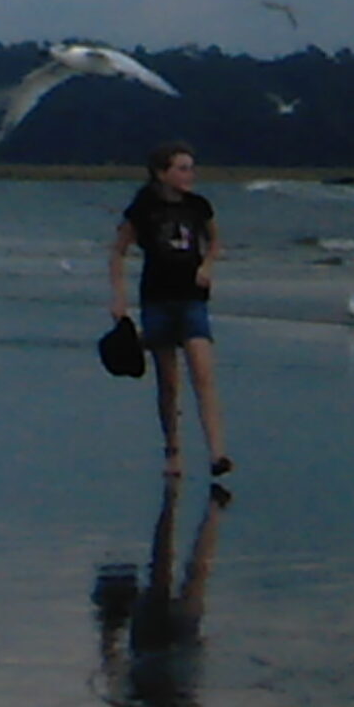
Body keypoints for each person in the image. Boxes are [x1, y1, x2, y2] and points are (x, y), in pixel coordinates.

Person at [108, 141, 231, 477]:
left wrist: (207, 265)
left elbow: (216, 240)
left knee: (203, 375)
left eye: (191, 168)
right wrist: (119, 298)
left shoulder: (198, 206)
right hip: (157, 300)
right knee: (169, 382)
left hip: (192, 300)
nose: (190, 174)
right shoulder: (143, 208)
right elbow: (118, 251)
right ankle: (173, 451)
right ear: (163, 173)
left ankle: (217, 454)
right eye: (182, 168)